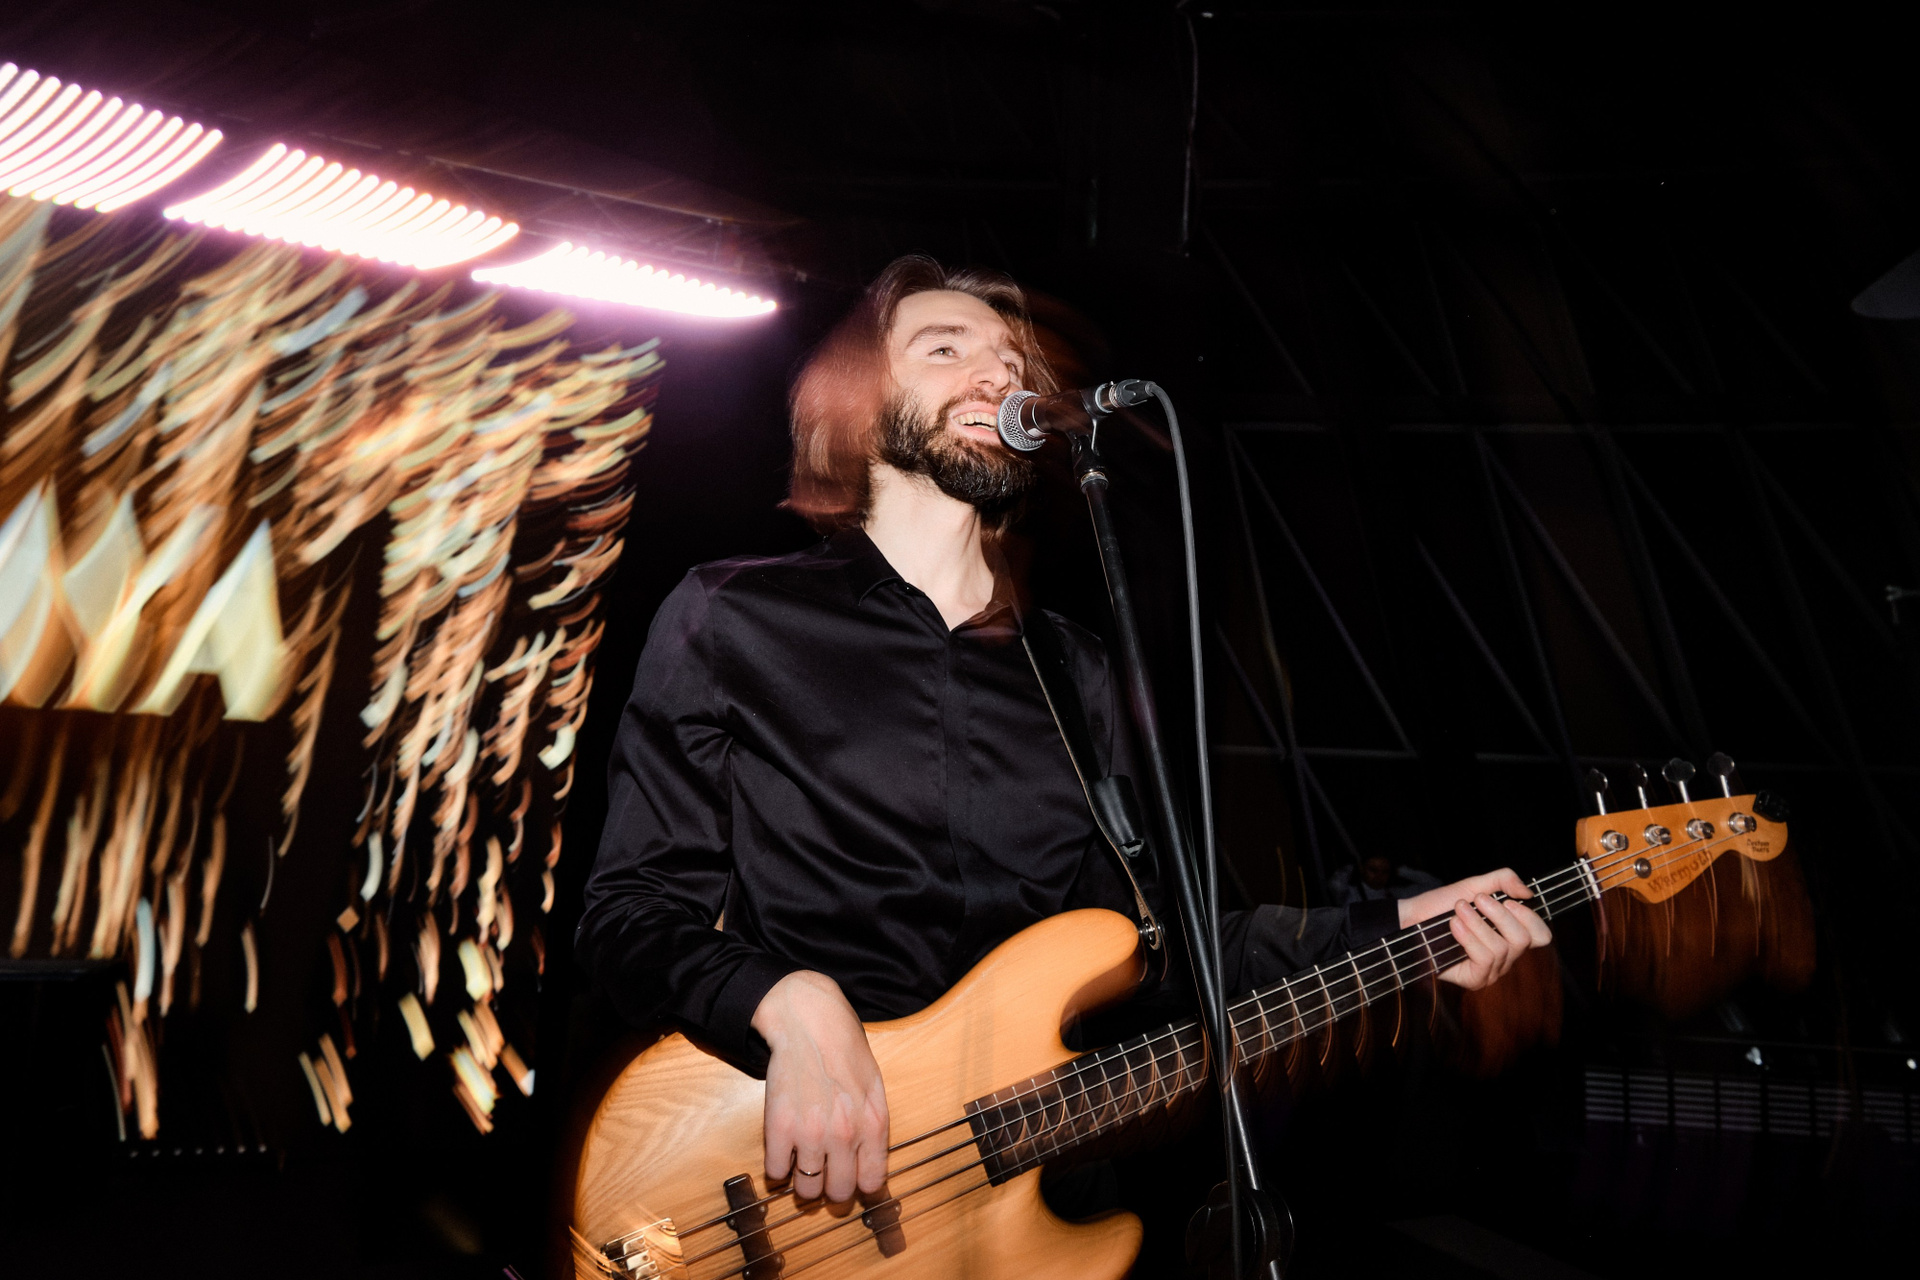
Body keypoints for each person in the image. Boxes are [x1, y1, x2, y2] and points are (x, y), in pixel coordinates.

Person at [577, 255, 1552, 1212]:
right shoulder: (733, 619)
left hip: (1026, 1198)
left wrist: (1403, 931)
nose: (996, 377)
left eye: (1011, 363)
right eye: (946, 348)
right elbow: (630, 913)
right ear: (860, 402)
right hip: (791, 1187)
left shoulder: (1075, 671)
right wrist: (787, 999)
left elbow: (1159, 954)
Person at [1327, 853, 1445, 906]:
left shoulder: (1397, 894)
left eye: (1384, 871)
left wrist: (1402, 871)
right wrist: (1351, 866)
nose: (1379, 876)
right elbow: (1335, 885)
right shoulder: (1351, 895)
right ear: (1362, 869)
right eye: (1373, 870)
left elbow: (1435, 884)